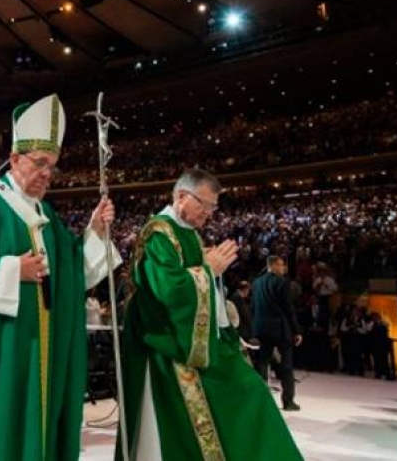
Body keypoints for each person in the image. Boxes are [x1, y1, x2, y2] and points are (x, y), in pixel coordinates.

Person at [0, 94, 121, 461]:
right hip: (4, 352)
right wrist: (10, 270)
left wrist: (94, 231)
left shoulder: (47, 214)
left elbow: (73, 270)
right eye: (40, 163)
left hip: (44, 349)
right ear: (14, 159)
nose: (47, 173)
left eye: (53, 166)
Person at [118, 169, 301, 460]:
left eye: (213, 207)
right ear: (180, 196)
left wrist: (210, 272)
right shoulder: (157, 233)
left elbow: (193, 277)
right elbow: (168, 290)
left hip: (198, 340)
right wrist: (208, 271)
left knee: (251, 393)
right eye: (204, 204)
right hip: (172, 346)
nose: (209, 213)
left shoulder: (188, 232)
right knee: (239, 398)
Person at [251, 256, 303, 411]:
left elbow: (253, 307)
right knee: (286, 366)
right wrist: (296, 330)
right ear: (273, 266)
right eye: (281, 265)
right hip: (279, 329)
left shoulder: (256, 282)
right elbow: (288, 308)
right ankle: (288, 401)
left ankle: (257, 399)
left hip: (261, 328)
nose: (283, 268)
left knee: (261, 364)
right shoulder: (282, 282)